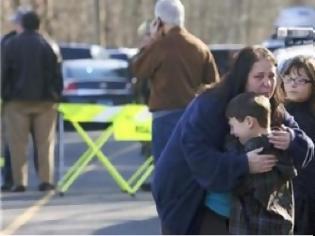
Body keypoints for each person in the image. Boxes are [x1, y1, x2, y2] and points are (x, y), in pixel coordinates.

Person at [151, 46, 314, 234]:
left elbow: (307, 149)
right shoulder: (211, 104)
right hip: (187, 198)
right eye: (259, 77)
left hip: (239, 210)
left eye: (271, 76)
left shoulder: (270, 106)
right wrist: (244, 164)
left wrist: (292, 139)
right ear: (242, 77)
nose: (267, 84)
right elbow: (197, 155)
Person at [131, 0, 220, 165]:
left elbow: (138, 69)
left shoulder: (159, 47)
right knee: (189, 167)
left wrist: (150, 42)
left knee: (165, 169)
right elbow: (213, 84)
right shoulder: (200, 47)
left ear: (158, 21)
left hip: (165, 117)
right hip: (194, 116)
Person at [2, 11, 63, 192]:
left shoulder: (11, 44)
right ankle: (46, 180)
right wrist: (56, 94)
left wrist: (5, 94)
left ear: (22, 25)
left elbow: (4, 72)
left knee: (17, 145)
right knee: (45, 143)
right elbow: (57, 73)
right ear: (38, 25)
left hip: (16, 101)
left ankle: (19, 182)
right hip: (45, 101)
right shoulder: (49, 44)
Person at [224, 92, 296, 234]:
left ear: (249, 122)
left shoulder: (257, 151)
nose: (232, 132)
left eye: (233, 126)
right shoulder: (281, 148)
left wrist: (236, 162)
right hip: (280, 226)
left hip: (255, 228)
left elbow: (239, 185)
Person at [0, 6, 39, 191]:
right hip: (15, 100)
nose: (14, 24)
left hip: (23, 100)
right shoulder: (6, 42)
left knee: (31, 143)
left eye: (17, 21)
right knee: (12, 144)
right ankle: (10, 179)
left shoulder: (42, 43)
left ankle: (41, 180)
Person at [280, 55, 315, 235]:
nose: (293, 84)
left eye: (301, 80)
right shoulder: (279, 111)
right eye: (289, 77)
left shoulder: (309, 117)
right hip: (288, 194)